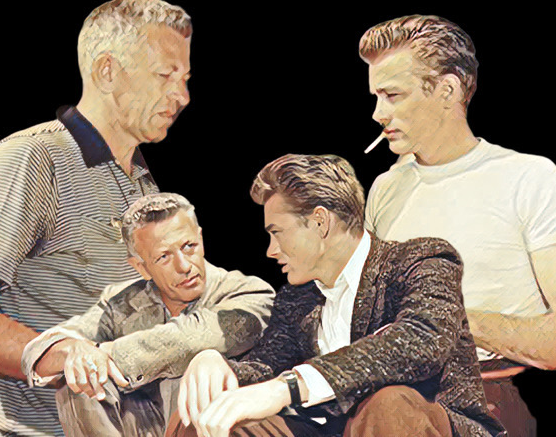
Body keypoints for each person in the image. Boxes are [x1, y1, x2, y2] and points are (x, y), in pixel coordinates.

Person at [0, 0, 193, 436]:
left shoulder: (144, 183)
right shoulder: (32, 160)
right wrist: (65, 354)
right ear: (107, 71)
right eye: (165, 75)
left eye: (185, 79)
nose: (182, 96)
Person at [168, 154, 505, 437]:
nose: (271, 250)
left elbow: (420, 342)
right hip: (328, 429)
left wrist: (292, 386)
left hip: (413, 424)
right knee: (202, 418)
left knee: (388, 405)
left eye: (277, 233)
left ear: (320, 223)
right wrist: (217, 366)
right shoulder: (297, 298)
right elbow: (266, 367)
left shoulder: (421, 261)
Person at [358, 14, 556, 436]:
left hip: (485, 397)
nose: (378, 113)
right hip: (386, 390)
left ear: (448, 90)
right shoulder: (385, 189)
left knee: (390, 411)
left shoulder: (530, 178)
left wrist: (447, 322)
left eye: (393, 95)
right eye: (376, 96)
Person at [21, 192, 275, 436]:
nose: (184, 266)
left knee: (198, 367)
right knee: (81, 382)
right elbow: (37, 352)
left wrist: (102, 352)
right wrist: (74, 351)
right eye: (164, 257)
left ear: (201, 239)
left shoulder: (251, 293)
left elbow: (189, 339)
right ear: (141, 267)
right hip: (142, 427)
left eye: (189, 246)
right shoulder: (121, 302)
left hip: (209, 429)